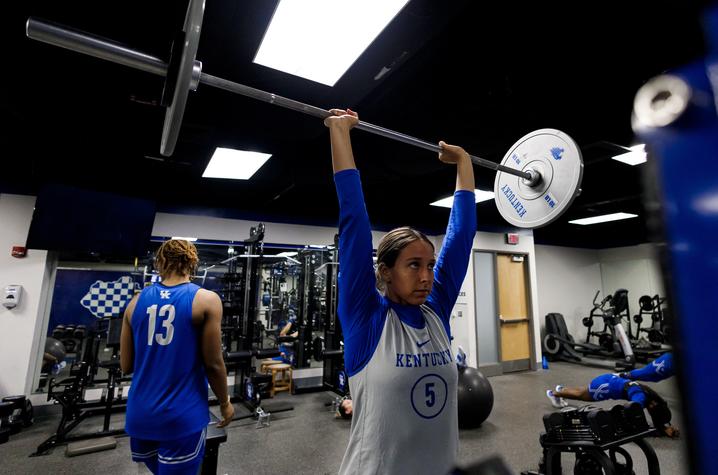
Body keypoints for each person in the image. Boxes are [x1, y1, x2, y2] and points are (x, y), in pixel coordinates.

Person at [325, 108, 476, 475]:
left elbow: (461, 237)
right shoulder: (367, 319)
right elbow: (354, 223)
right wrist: (340, 132)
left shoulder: (434, 311)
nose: (426, 276)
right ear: (385, 272)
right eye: (413, 265)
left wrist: (464, 163)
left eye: (429, 265)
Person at [120, 239, 234, 474]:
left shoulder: (134, 303)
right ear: (193, 263)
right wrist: (225, 403)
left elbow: (126, 365)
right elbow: (213, 364)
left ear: (159, 262)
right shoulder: (206, 300)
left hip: (140, 415)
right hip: (181, 416)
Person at [546, 373, 679, 438]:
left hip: (609, 380)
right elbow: (632, 409)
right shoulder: (641, 396)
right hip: (604, 388)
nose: (650, 412)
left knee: (582, 391)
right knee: (582, 395)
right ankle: (554, 394)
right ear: (654, 404)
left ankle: (561, 389)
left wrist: (663, 426)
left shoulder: (648, 394)